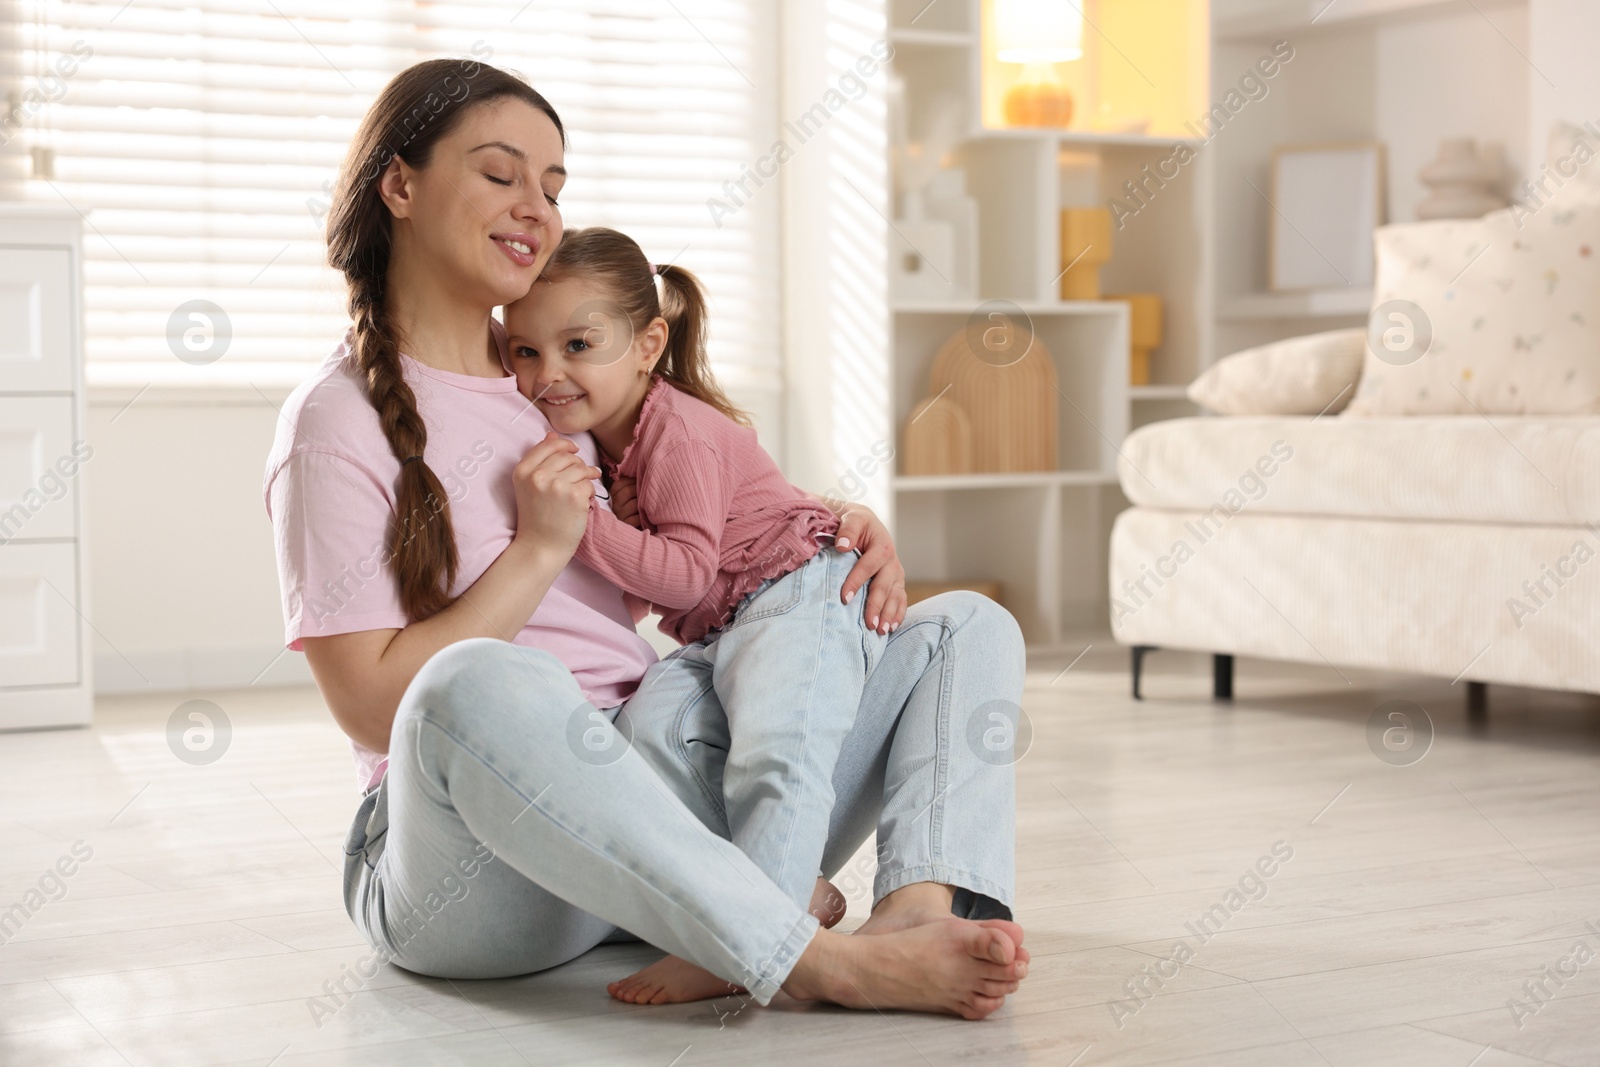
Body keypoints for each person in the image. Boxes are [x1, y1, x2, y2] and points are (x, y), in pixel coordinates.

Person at [265, 56, 1029, 1020]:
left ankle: (911, 910)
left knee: (967, 629)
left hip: (644, 795)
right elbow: (379, 711)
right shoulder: (333, 421)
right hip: (468, 869)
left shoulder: (559, 381)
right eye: (501, 174)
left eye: (552, 185)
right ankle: (807, 957)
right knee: (478, 681)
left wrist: (831, 529)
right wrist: (539, 549)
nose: (534, 206)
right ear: (400, 185)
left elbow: (693, 535)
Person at [503, 225, 899, 998]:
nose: (548, 373)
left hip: (797, 592)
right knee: (647, 733)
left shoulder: (674, 430)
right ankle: (790, 888)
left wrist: (581, 521)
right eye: (524, 351)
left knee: (778, 751)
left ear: (648, 344)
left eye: (578, 345)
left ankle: (744, 944)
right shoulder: (612, 439)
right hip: (723, 628)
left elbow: (683, 576)